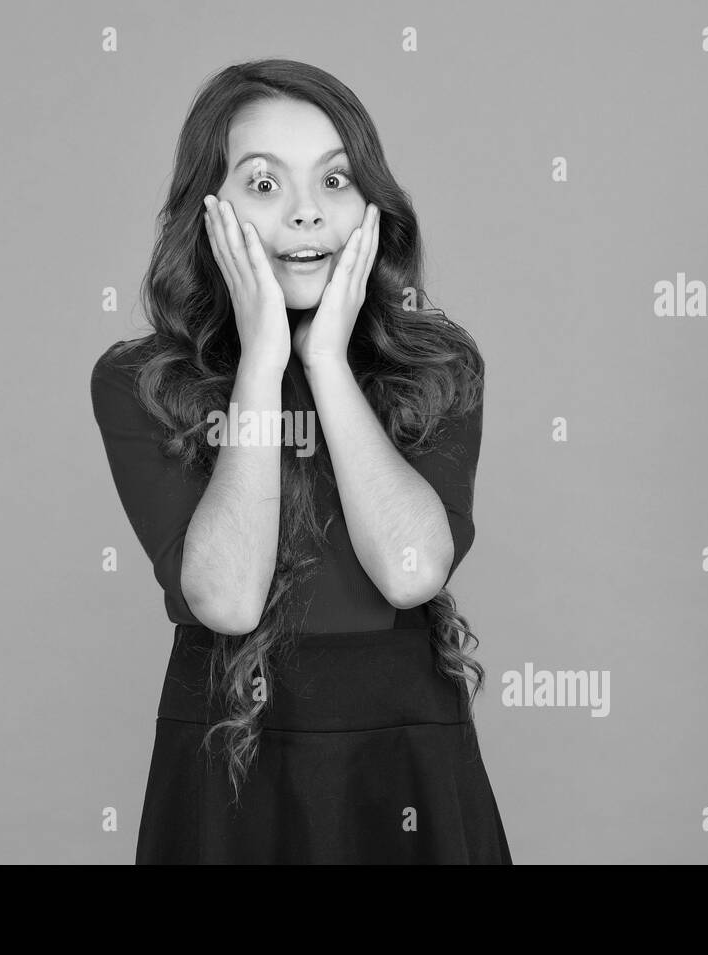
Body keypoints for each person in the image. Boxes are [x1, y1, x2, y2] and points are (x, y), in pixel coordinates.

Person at [90, 58, 512, 864]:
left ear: (370, 209)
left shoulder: (440, 365)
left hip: (403, 751)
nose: (307, 215)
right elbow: (227, 596)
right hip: (229, 752)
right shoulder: (137, 381)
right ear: (206, 212)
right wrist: (261, 361)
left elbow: (411, 571)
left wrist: (325, 363)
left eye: (335, 182)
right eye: (263, 184)